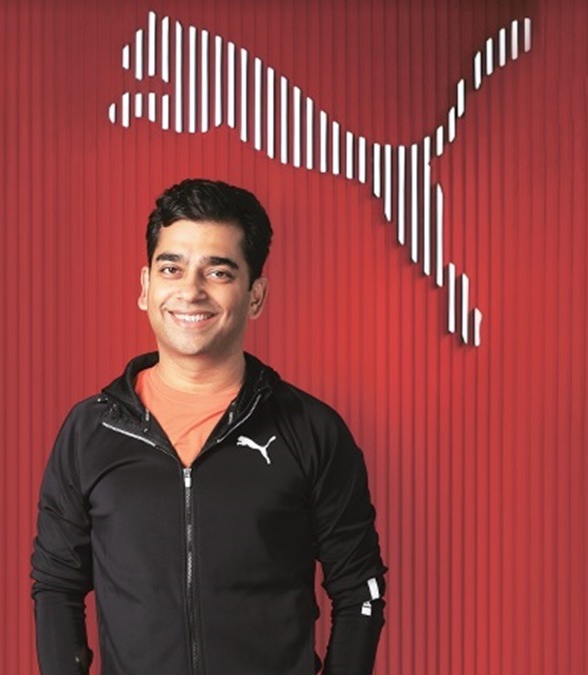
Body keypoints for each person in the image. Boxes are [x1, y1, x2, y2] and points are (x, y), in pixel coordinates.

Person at [31, 178, 387, 674]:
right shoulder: (92, 430)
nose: (191, 291)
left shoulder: (311, 431)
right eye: (171, 268)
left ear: (255, 296)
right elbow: (56, 585)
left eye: (218, 272)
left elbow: (360, 588)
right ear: (145, 287)